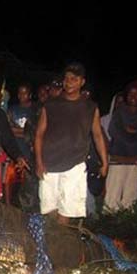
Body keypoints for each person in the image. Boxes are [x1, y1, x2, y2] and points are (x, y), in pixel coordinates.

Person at [35, 63, 108, 225]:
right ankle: (51, 243)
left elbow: (97, 135)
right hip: (50, 163)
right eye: (67, 79)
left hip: (74, 164)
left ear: (82, 82)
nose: (69, 83)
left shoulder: (90, 107)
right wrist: (39, 162)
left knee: (66, 210)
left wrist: (105, 162)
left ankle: (61, 246)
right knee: (49, 209)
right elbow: (39, 134)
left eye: (74, 79)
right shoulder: (51, 104)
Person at [104, 80, 137, 212]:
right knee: (112, 197)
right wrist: (136, 133)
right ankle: (109, 223)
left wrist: (130, 131)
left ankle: (126, 224)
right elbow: (114, 132)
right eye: (131, 93)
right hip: (118, 159)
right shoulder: (119, 112)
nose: (133, 96)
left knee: (130, 198)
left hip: (136, 161)